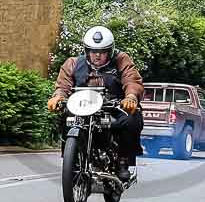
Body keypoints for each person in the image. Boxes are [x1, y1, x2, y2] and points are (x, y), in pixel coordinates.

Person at [47, 26, 144, 182]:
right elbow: (63, 85)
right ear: (87, 51)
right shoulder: (73, 63)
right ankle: (71, 161)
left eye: (102, 52)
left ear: (110, 51)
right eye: (93, 51)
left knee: (132, 118)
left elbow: (131, 79)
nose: (97, 55)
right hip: (82, 106)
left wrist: (131, 97)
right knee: (66, 118)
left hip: (113, 106)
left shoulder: (121, 60)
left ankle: (123, 161)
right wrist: (58, 97)